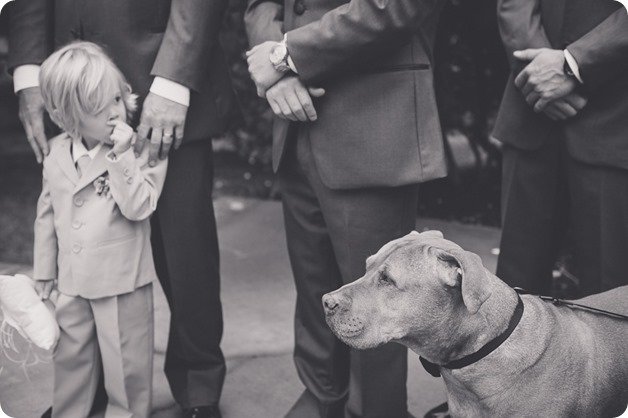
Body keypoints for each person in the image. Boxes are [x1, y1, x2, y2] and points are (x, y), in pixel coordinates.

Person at [8, 1, 237, 417]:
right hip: (71, 75)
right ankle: (85, 394)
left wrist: (173, 80)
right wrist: (29, 73)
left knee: (187, 253)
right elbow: (49, 215)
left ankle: (198, 384)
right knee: (80, 258)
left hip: (160, 69)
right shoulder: (64, 145)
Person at [244, 2, 447, 417]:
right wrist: (276, 71)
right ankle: (322, 398)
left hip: (372, 118)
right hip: (295, 123)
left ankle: (377, 411)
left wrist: (286, 55)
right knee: (313, 288)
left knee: (377, 299)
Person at [34, 41, 167, 418]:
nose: (114, 112)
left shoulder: (140, 150)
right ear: (66, 115)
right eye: (98, 108)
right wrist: (44, 269)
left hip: (121, 282)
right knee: (71, 362)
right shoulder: (57, 152)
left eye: (116, 99)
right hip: (72, 282)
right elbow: (46, 212)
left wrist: (121, 156)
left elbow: (140, 206)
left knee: (127, 370)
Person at [493, 0, 628, 297]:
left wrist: (574, 63)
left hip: (618, 115)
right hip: (532, 109)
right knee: (514, 298)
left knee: (612, 301)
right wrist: (536, 71)